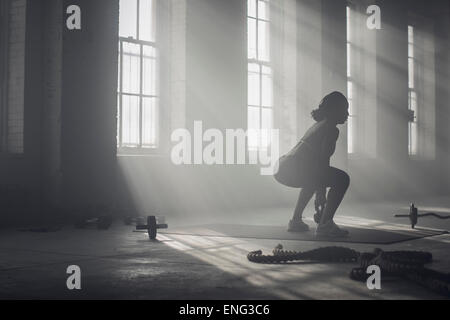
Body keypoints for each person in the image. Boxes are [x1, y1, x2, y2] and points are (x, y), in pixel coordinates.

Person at [274, 91, 351, 238]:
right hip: (292, 167)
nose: (347, 113)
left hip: (283, 166)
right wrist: (320, 195)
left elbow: (318, 167)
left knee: (311, 178)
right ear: (334, 110)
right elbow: (322, 162)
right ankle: (325, 224)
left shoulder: (319, 125)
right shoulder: (331, 129)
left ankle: (295, 221)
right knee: (342, 179)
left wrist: (319, 191)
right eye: (344, 109)